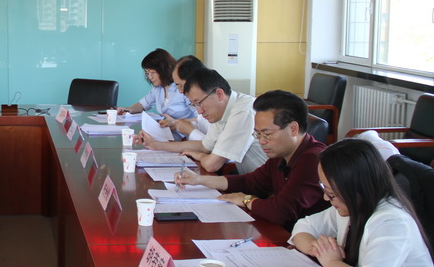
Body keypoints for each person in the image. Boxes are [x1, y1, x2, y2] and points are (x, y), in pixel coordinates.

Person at [291, 140, 434, 267]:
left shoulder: (391, 221)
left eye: (331, 192)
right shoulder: (352, 206)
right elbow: (303, 227)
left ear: (354, 187)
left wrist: (331, 262)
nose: (325, 198)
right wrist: (318, 249)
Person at [175, 90, 328, 231]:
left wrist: (247, 200)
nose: (261, 141)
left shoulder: (314, 161)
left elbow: (281, 212)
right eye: (257, 134)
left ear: (293, 129)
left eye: (267, 134)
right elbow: (250, 182)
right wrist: (199, 180)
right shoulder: (282, 153)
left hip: (311, 243)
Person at [136, 67, 267, 173]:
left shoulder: (242, 111)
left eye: (199, 103)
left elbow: (212, 165)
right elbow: (205, 146)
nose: (199, 111)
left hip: (267, 189)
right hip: (251, 180)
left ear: (219, 94)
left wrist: (199, 156)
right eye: (194, 105)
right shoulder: (221, 110)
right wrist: (155, 145)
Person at [116, 48, 195, 128]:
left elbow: (199, 119)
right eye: (147, 73)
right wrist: (128, 110)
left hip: (184, 132)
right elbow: (143, 104)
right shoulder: (158, 88)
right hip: (165, 130)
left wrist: (175, 122)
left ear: (165, 69)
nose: (150, 77)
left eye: (153, 72)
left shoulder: (182, 88)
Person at [168, 55, 210, 139]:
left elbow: (209, 145)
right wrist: (176, 124)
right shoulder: (199, 102)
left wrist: (190, 131)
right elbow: (200, 122)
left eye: (181, 86)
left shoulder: (211, 102)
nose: (181, 91)